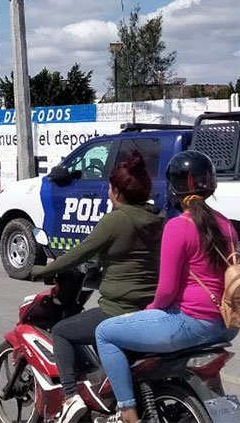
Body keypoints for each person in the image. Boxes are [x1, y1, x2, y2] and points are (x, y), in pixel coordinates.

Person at [94, 151, 240, 423]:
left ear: (173, 188)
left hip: (192, 323)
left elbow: (166, 291)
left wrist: (149, 309)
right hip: (227, 325)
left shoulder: (178, 226)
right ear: (211, 185)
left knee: (105, 333)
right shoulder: (226, 225)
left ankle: (127, 411)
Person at [28, 151, 163, 423]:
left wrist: (39, 270)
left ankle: (70, 398)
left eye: (110, 189)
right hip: (150, 310)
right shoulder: (158, 219)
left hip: (118, 310)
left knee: (63, 332)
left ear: (116, 192)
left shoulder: (116, 221)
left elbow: (80, 253)